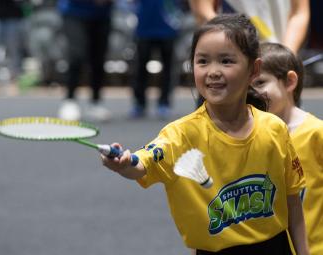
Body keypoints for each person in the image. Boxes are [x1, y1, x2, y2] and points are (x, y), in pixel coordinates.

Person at [101, 14, 309, 254]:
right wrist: (123, 164)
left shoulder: (275, 129)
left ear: (254, 69)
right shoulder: (180, 135)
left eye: (226, 61)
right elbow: (142, 164)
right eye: (203, 61)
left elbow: (293, 202)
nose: (213, 71)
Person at [251, 42, 323, 255]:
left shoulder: (316, 133)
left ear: (290, 81)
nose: (253, 94)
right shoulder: (247, 137)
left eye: (260, 83)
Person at [56, 0, 113, 122]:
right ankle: (70, 100)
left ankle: (95, 102)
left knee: (98, 60)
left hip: (102, 14)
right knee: (76, 56)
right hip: (74, 12)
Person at [188, 0, 310, 55]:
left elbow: (299, 13)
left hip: (276, 65)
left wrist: (284, 56)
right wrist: (237, 52)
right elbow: (203, 12)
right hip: (230, 62)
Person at [130, 0, 181, 119]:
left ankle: (164, 103)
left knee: (168, 68)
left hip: (168, 27)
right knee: (140, 67)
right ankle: (139, 103)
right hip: (144, 27)